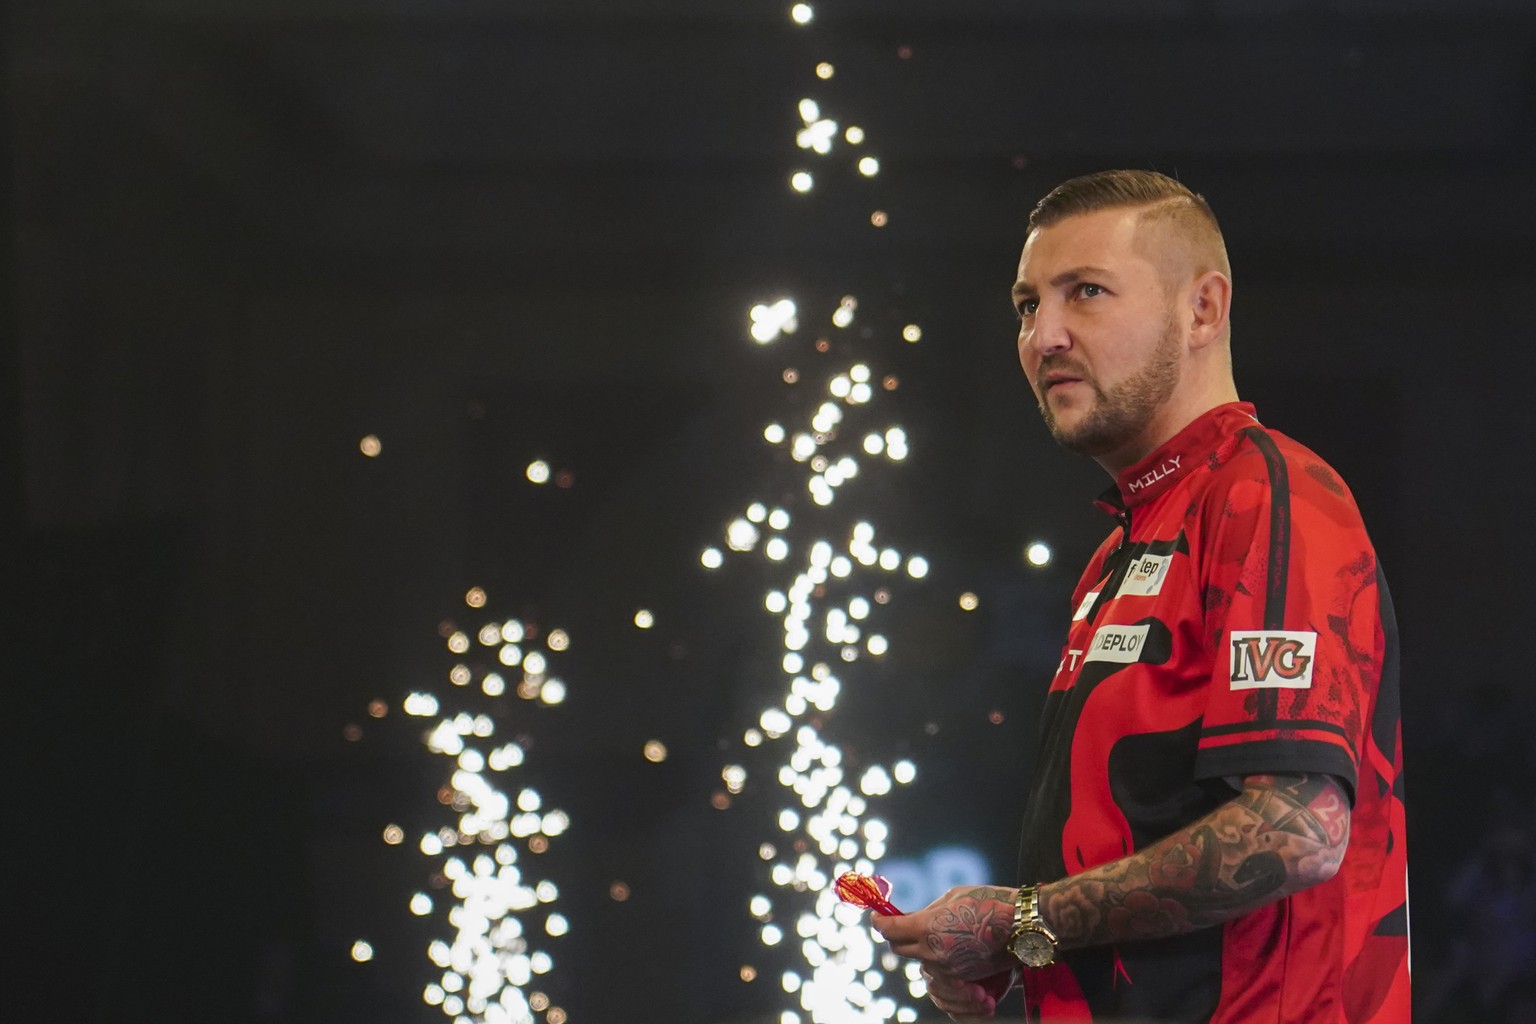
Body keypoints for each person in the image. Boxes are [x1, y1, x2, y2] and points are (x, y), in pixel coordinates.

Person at [872, 170, 1409, 1023]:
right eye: (1026, 305)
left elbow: (1295, 830)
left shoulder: (1269, 495)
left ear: (1203, 309)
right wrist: (1022, 950)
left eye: (1085, 292)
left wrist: (1020, 923)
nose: (1044, 335)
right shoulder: (1120, 551)